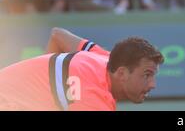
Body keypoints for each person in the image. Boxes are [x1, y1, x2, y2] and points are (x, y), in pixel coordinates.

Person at [0, 27, 164, 110]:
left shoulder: (106, 58)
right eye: (147, 75)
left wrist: (45, 87)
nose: (153, 84)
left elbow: (58, 36)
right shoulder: (94, 101)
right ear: (121, 73)